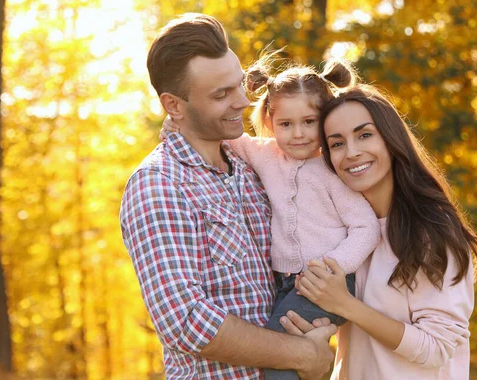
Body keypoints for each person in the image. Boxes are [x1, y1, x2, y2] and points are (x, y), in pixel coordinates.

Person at [119, 13, 336, 380]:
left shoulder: (252, 163)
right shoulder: (158, 185)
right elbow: (184, 320)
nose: (243, 102)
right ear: (174, 105)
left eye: (239, 85)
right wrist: (300, 354)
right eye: (221, 95)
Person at [162, 54, 381, 380]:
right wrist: (178, 125)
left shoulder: (333, 170)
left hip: (329, 282)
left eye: (309, 122)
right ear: (269, 122)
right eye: (286, 124)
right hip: (285, 282)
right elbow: (223, 136)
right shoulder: (265, 155)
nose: (298, 134)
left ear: (326, 119)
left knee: (281, 356)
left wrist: (331, 268)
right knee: (294, 353)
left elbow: (366, 228)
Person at [279, 63, 477, 379]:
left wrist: (346, 305)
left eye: (364, 135)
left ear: (391, 139)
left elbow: (436, 347)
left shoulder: (431, 229)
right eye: (336, 143)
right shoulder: (346, 237)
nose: (352, 152)